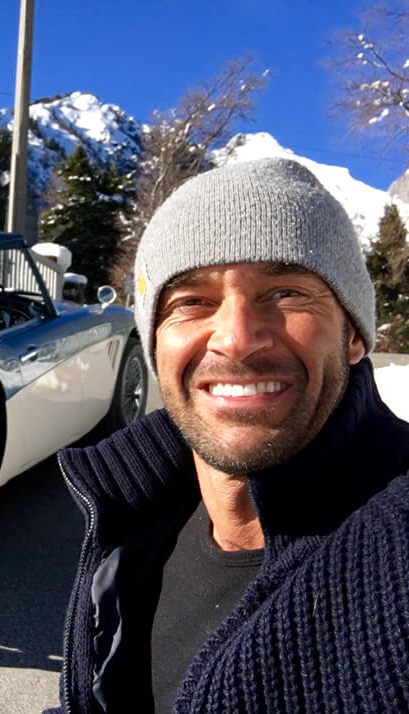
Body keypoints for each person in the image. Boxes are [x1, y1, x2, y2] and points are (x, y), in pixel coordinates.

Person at [49, 158, 409, 713]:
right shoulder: (136, 519)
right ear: (154, 345)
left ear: (355, 335)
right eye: (192, 301)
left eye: (286, 292)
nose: (237, 339)